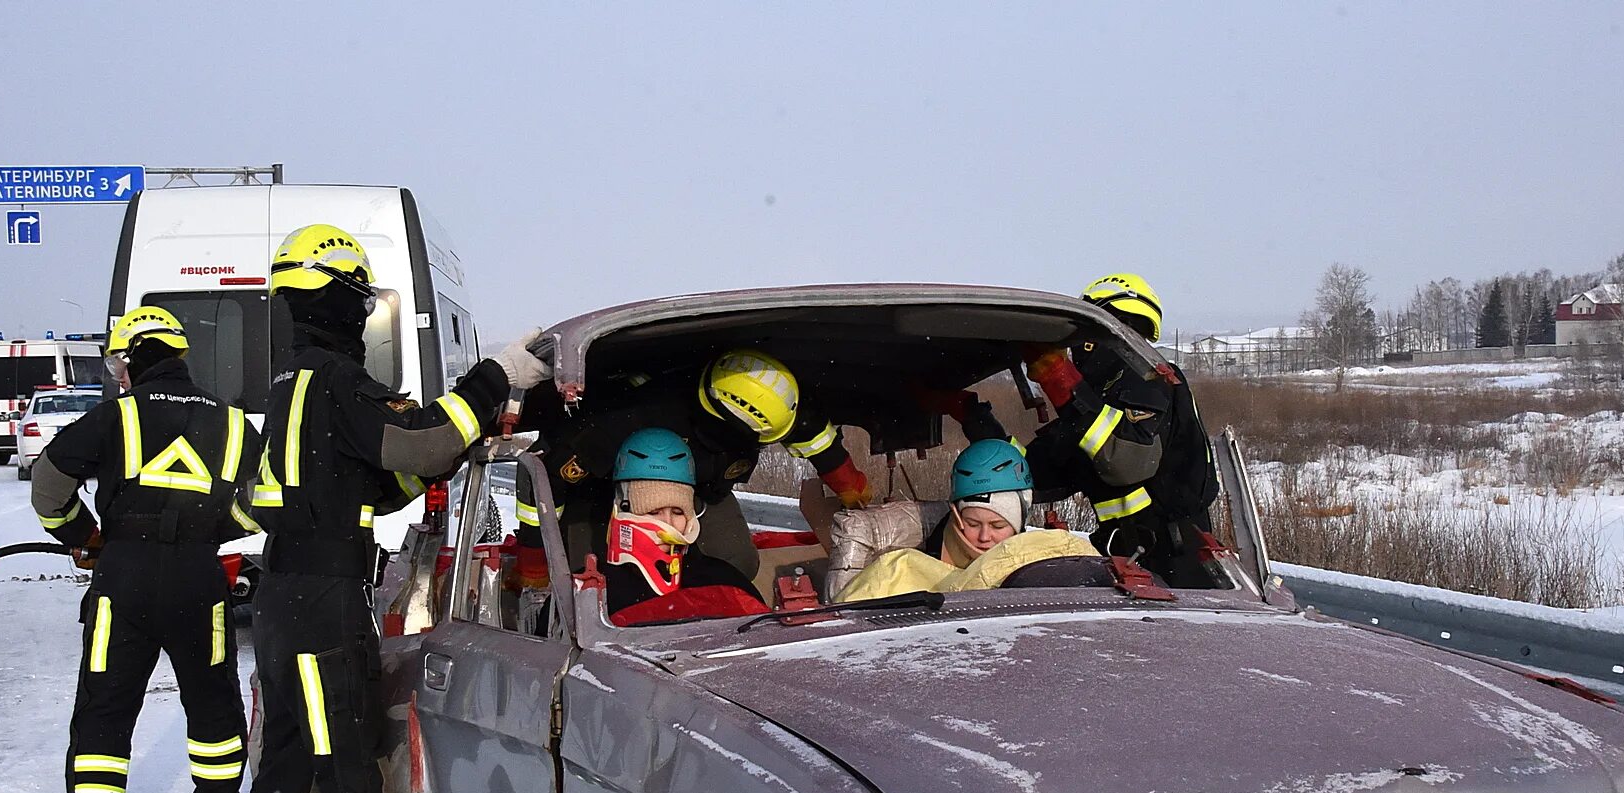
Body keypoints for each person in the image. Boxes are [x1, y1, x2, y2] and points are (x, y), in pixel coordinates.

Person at [220, 223, 547, 793]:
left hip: (280, 601)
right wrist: (493, 378)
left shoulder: (286, 387)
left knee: (289, 770)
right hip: (324, 608)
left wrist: (443, 454)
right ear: (338, 300)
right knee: (354, 785)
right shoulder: (336, 384)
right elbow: (426, 445)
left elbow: (372, 482)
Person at [29, 305, 266, 793]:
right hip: (198, 578)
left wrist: (84, 535)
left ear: (132, 360)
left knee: (105, 709)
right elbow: (266, 497)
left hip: (124, 579)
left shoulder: (116, 416)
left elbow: (48, 480)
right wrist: (215, 529)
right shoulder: (233, 422)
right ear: (180, 357)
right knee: (211, 699)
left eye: (119, 365)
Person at [512, 348, 870, 586]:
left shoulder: (783, 405)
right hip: (601, 493)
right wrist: (534, 561)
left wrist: (855, 491)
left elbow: (822, 445)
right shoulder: (624, 422)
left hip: (701, 493)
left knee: (736, 563)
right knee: (590, 576)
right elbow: (543, 481)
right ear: (720, 422)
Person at [1020, 273, 1224, 586]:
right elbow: (1041, 472)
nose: (1076, 350)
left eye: (1081, 339)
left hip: (1174, 570)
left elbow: (1127, 461)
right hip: (1129, 563)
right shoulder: (1098, 403)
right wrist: (974, 419)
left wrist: (1060, 381)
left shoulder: (1151, 380)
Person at [837, 437, 1096, 601]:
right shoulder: (899, 568)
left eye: (998, 525)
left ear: (1019, 523)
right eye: (972, 524)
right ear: (955, 514)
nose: (985, 537)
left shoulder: (1044, 561)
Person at [601, 427, 768, 626]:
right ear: (622, 510)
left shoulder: (726, 581)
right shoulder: (593, 594)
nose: (668, 527)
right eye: (653, 512)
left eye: (678, 512)